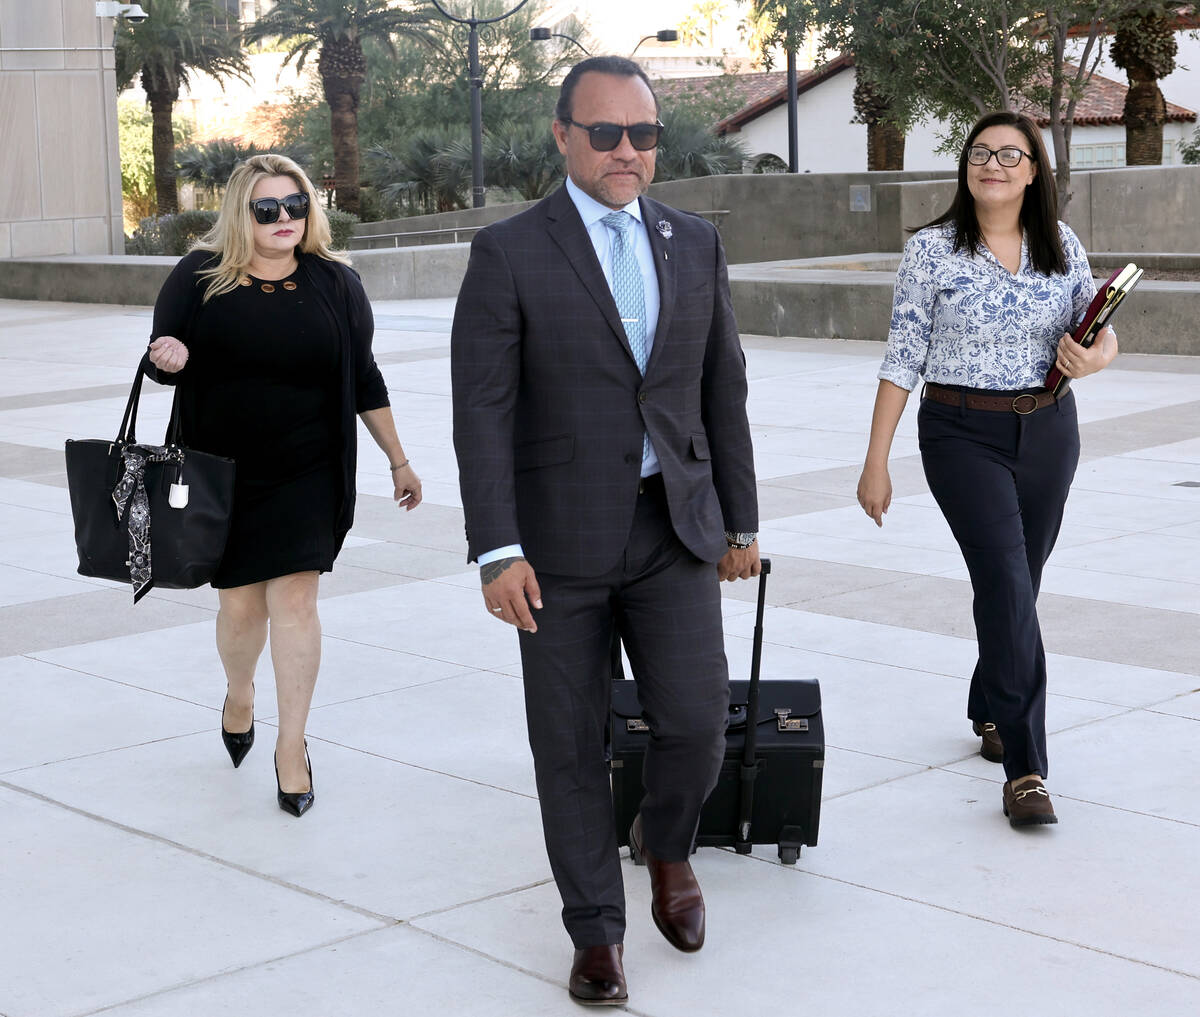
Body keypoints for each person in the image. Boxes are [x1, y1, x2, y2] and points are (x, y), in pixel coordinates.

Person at [451, 56, 760, 1007]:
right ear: (562, 137)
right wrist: (497, 548)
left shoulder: (694, 241)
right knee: (569, 745)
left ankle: (666, 846)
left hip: (674, 530)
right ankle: (596, 931)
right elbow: (483, 413)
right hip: (554, 548)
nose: (627, 152)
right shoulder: (509, 252)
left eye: (644, 134)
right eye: (606, 133)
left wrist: (740, 520)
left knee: (699, 723)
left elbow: (722, 392)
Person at [856, 111, 1117, 829]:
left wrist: (1093, 357)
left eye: (1011, 154)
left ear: (1034, 170)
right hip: (960, 432)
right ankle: (1026, 768)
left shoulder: (1060, 244)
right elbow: (901, 353)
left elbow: (1098, 326)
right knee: (1004, 577)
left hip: (1049, 430)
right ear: (965, 167)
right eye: (980, 153)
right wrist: (876, 458)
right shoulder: (933, 250)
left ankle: (990, 704)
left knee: (1019, 582)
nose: (993, 164)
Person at [142, 154, 421, 818]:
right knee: (240, 610)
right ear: (242, 212)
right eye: (267, 209)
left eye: (295, 206)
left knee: (296, 601)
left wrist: (399, 459)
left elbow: (366, 377)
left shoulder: (336, 283)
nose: (284, 219)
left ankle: (291, 747)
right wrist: (170, 357)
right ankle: (240, 693)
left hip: (310, 470)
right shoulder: (199, 278)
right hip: (222, 471)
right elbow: (162, 357)